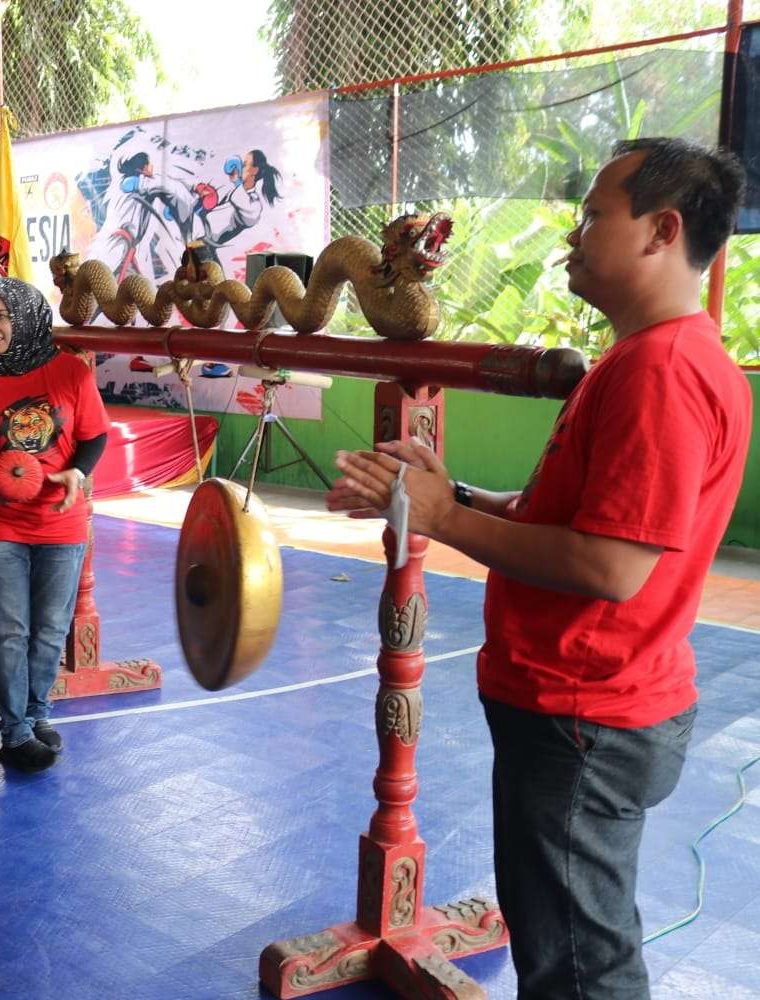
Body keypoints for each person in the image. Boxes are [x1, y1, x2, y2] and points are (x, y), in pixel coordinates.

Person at [327, 138, 750, 999]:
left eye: (595, 215)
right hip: (583, 704)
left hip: (586, 714)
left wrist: (441, 520)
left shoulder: (662, 371)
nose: (574, 234)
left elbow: (611, 563)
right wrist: (458, 495)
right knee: (562, 941)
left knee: (577, 970)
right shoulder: (641, 359)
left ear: (661, 231)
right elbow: (576, 517)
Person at [0, 278, 109, 773]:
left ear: (28, 317)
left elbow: (94, 435)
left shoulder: (69, 371)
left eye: (3, 317)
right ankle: (14, 732)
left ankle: (37, 713)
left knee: (51, 628)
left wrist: (79, 469)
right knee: (9, 629)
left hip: (60, 519)